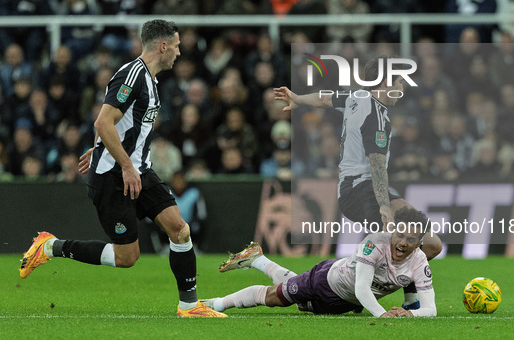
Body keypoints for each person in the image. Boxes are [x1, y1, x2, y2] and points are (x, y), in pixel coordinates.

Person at [19, 20, 226, 318]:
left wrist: (100, 147)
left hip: (140, 170)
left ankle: (189, 306)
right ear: (163, 46)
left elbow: (111, 124)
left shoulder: (150, 79)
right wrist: (123, 163)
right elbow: (102, 121)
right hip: (114, 177)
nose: (180, 53)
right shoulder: (132, 75)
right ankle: (50, 246)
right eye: (177, 46)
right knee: (126, 257)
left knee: (180, 231)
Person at [274, 56, 442, 308]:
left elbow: (323, 99)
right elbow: (376, 165)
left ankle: (395, 295)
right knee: (411, 241)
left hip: (357, 188)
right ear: (385, 81)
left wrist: (298, 99)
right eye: (399, 81)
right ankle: (367, 295)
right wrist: (384, 205)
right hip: (361, 190)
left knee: (425, 238)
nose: (403, 88)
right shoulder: (377, 116)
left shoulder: (357, 97)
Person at [203, 207, 436, 318]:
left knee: (301, 304)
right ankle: (216, 304)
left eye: (411, 239)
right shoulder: (374, 243)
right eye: (400, 235)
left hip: (344, 302)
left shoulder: (419, 262)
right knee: (277, 298)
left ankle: (257, 258)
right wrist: (382, 314)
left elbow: (431, 310)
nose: (403, 243)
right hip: (326, 280)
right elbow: (362, 287)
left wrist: (411, 314)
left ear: (419, 243)